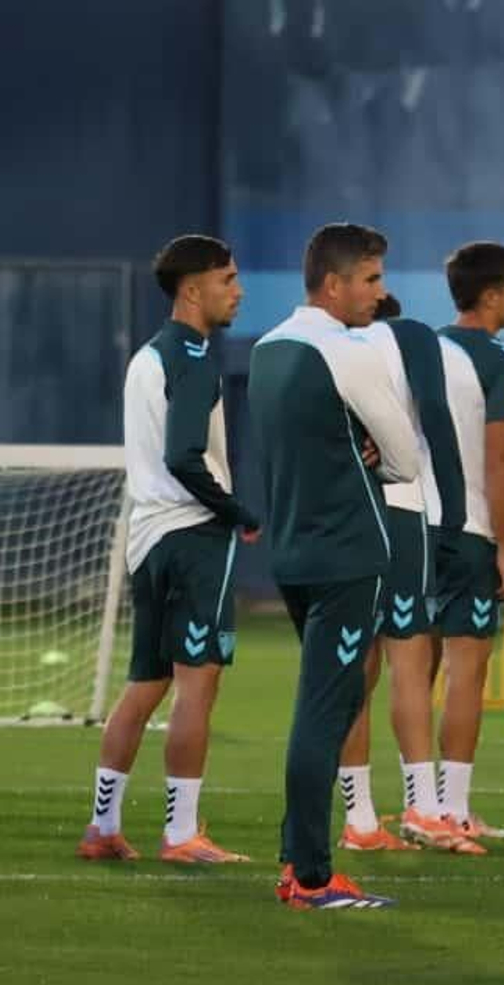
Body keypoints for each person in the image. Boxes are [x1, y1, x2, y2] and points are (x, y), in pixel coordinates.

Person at [250, 222, 419, 909]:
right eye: (371, 279)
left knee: (338, 699)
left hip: (292, 553)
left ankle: (297, 858)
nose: (380, 294)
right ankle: (313, 877)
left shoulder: (265, 349)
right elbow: (406, 458)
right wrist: (374, 456)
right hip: (348, 553)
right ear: (334, 283)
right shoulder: (347, 352)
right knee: (326, 710)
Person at [78, 235, 258, 864]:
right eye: (227, 279)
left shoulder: (147, 358)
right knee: (197, 686)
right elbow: (185, 456)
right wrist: (238, 512)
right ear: (192, 289)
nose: (237, 291)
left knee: (144, 684)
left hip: (147, 538)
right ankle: (182, 834)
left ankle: (103, 827)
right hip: (194, 536)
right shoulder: (195, 360)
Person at [332, 292, 478, 853]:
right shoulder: (411, 336)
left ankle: (362, 819)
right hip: (400, 508)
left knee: (354, 670)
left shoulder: (325, 347)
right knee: (409, 661)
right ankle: (423, 807)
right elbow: (436, 418)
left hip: (343, 517)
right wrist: (457, 514)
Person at [431, 241, 504, 844]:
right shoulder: (500, 359)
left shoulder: (420, 350)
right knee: (466, 672)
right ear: (491, 296)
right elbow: (499, 459)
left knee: (410, 671)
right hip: (468, 532)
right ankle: (455, 809)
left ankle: (412, 803)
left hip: (412, 530)